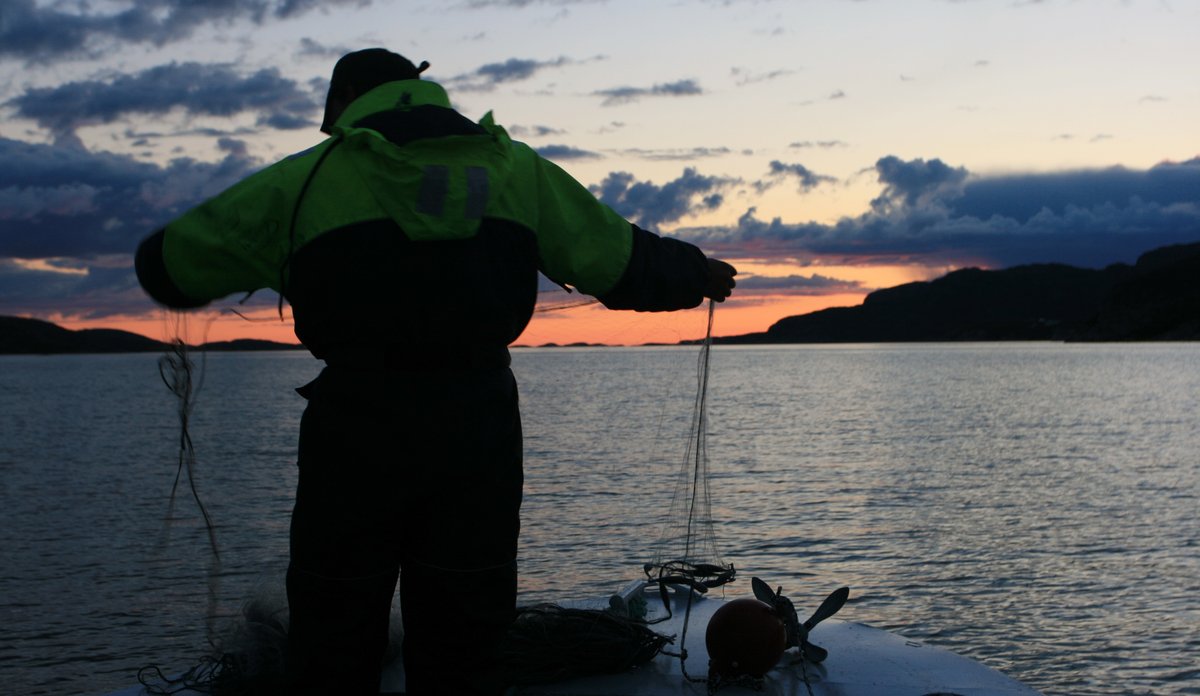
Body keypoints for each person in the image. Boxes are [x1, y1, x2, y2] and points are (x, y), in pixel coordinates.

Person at [135, 48, 737, 696]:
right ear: (422, 91)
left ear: (342, 107)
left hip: (355, 423)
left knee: (333, 623)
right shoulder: (517, 172)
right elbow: (621, 259)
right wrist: (698, 273)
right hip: (476, 422)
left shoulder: (309, 178)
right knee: (468, 631)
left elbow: (167, 266)